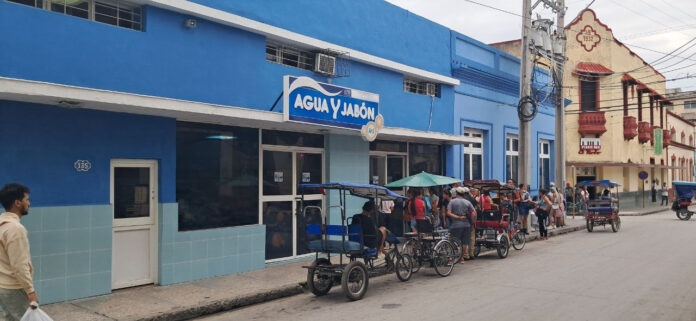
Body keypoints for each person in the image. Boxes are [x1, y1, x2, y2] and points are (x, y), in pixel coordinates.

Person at [0, 183, 38, 321]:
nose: (29, 203)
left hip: (3, 286)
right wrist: (30, 291)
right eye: (26, 200)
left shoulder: (2, 223)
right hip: (14, 288)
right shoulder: (16, 229)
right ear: (17, 203)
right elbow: (19, 265)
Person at [447, 187, 476, 262]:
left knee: (453, 241)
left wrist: (458, 217)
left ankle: (451, 257)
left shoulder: (452, 202)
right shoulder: (467, 202)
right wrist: (473, 222)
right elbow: (474, 213)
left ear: (456, 193)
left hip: (455, 225)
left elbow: (448, 213)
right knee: (464, 242)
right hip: (466, 225)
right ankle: (462, 257)